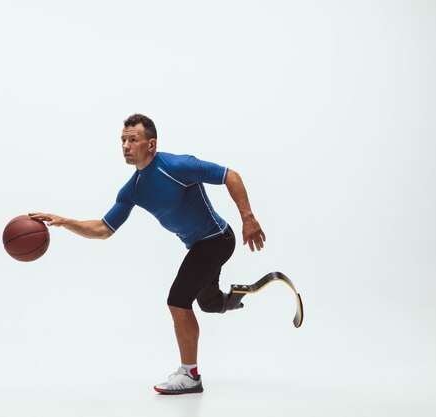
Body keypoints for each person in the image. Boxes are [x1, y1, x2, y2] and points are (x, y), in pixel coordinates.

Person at [29, 113, 265, 394]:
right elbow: (104, 228)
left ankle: (190, 376)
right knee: (209, 304)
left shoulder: (178, 165)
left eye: (133, 139)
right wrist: (65, 221)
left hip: (216, 239)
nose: (126, 146)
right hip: (198, 246)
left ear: (151, 144)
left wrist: (248, 217)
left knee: (178, 300)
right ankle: (235, 296)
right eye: (123, 140)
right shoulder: (133, 189)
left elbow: (230, 175)